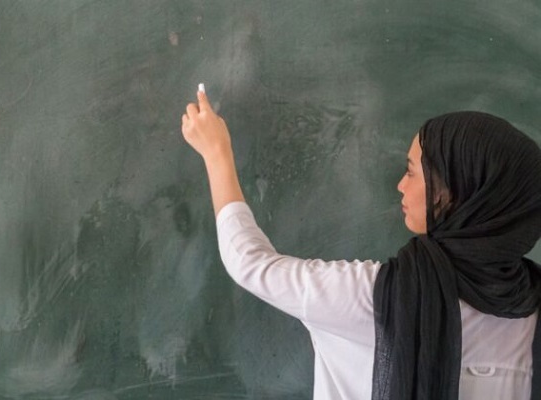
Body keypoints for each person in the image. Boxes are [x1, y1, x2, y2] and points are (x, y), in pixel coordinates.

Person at [181, 90, 541, 400]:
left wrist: (217, 154)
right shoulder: (530, 310)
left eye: (412, 171)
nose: (400, 185)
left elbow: (249, 262)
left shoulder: (374, 297)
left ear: (450, 195)